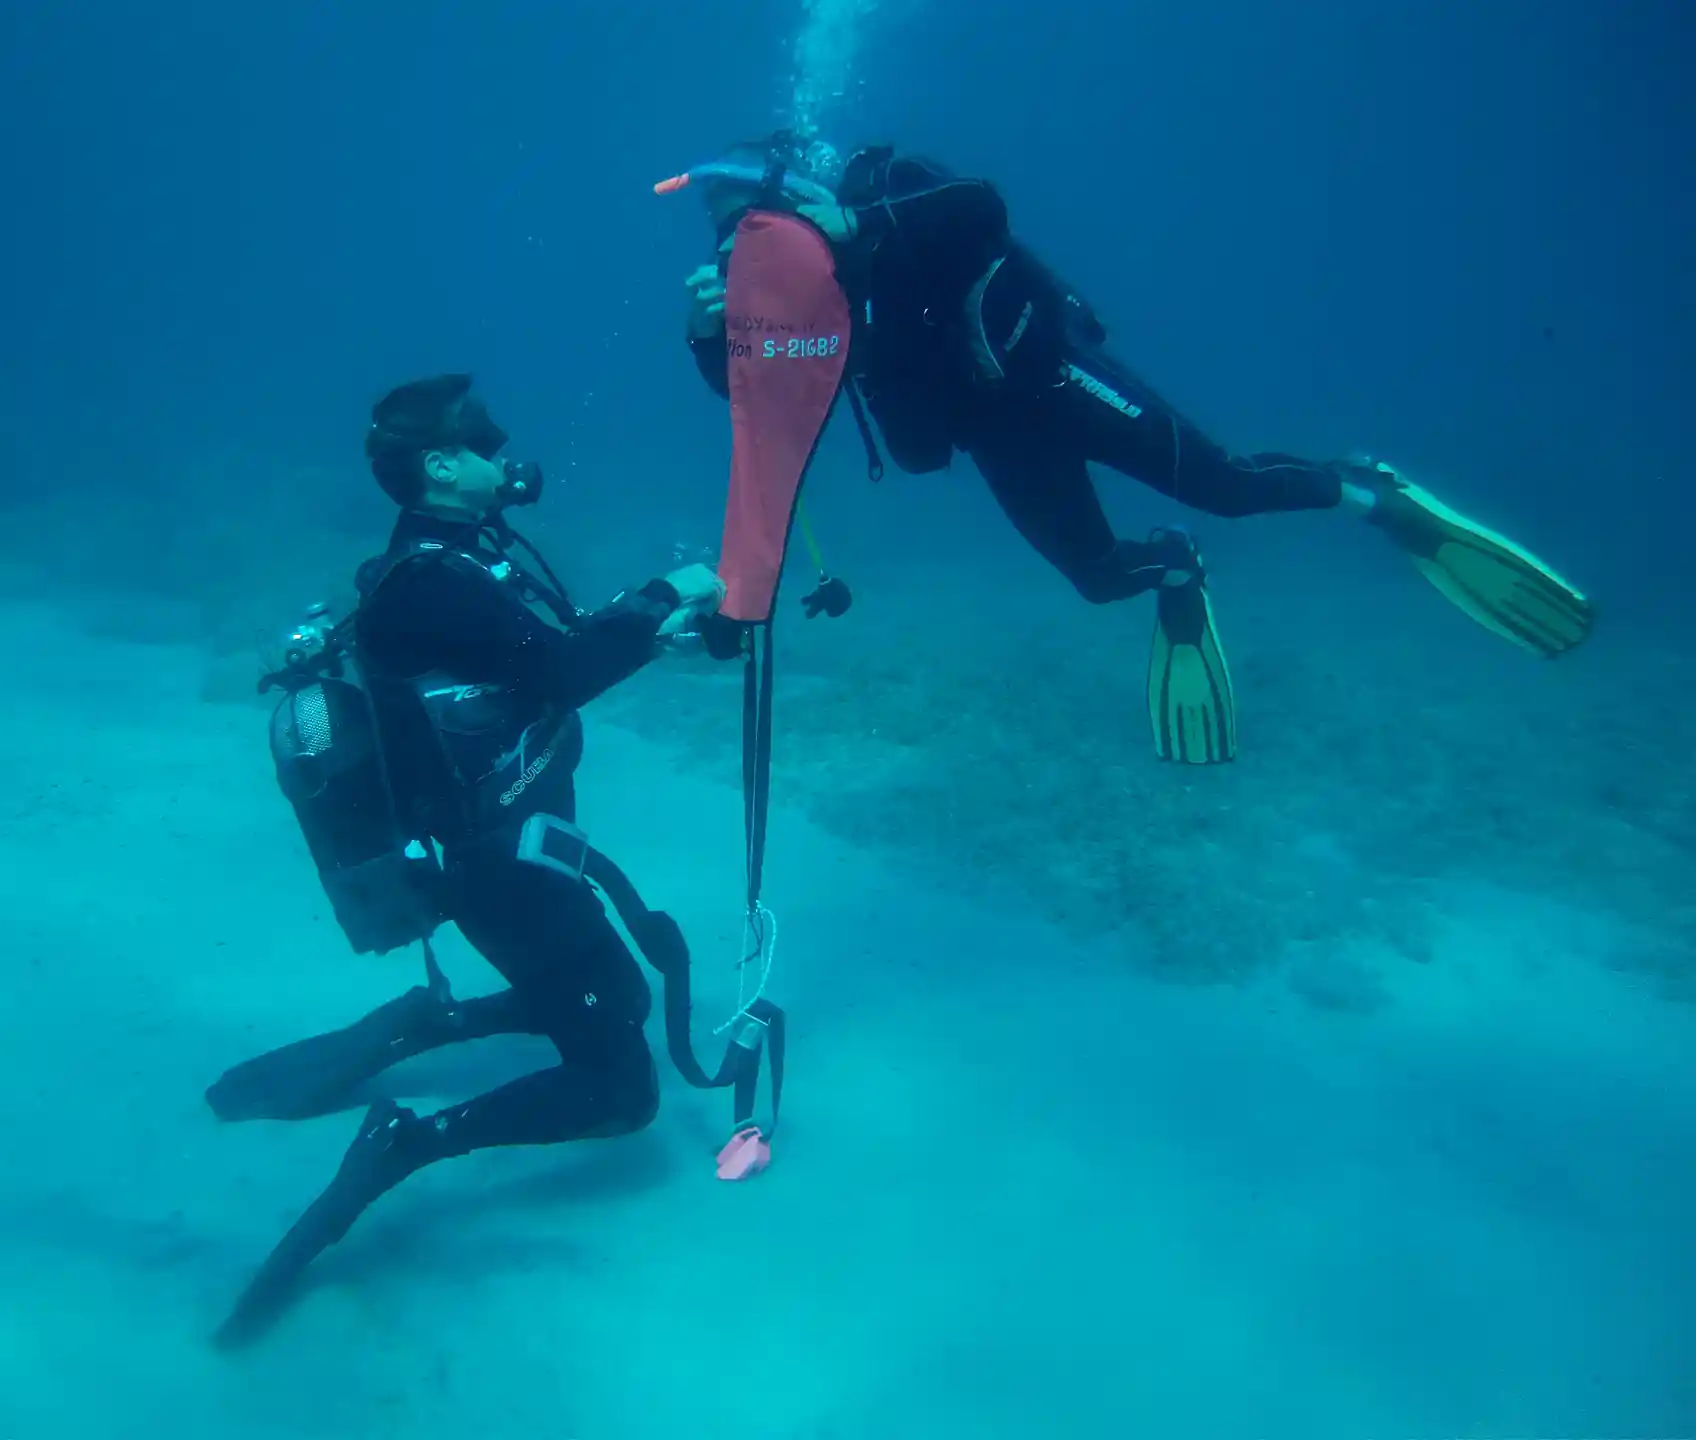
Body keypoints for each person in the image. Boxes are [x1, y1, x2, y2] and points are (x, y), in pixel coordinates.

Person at [662, 133, 1595, 763]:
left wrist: (860, 226)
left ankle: (1371, 494)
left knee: (1224, 485)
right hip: (996, 435)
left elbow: (984, 207)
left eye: (748, 208)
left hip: (1053, 380)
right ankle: (1177, 571)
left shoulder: (885, 193)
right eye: (721, 222)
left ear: (795, 189)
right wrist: (712, 338)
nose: (740, 234)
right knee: (1102, 576)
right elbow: (766, 407)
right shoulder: (770, 296)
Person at [205, 374, 729, 1346]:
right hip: (497, 866)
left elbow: (543, 657)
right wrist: (673, 593)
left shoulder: (454, 560)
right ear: (440, 466)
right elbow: (564, 667)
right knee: (621, 1089)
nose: (504, 452)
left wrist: (665, 626)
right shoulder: (434, 583)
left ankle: (436, 1020)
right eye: (483, 440)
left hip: (516, 846)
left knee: (616, 999)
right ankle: (407, 1144)